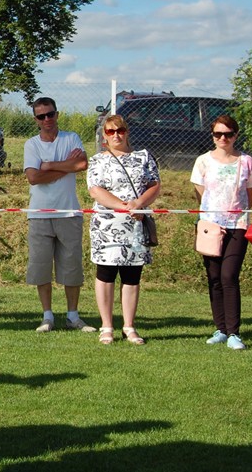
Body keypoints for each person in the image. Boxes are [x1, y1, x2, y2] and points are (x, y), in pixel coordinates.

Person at [86, 114, 160, 345]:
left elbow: (154, 185)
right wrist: (124, 207)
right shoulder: (97, 160)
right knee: (106, 273)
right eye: (110, 132)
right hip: (107, 225)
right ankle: (106, 326)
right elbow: (95, 190)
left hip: (136, 225)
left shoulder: (143, 157)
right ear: (104, 136)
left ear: (127, 132)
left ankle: (129, 326)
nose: (116, 135)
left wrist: (139, 204)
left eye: (120, 130)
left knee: (132, 276)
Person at [23, 97, 94, 332]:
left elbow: (82, 165)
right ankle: (47, 317)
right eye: (41, 116)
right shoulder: (31, 144)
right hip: (39, 215)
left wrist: (48, 165)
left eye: (50, 114)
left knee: (72, 268)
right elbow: (33, 177)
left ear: (57, 114)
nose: (47, 120)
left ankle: (73, 316)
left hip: (69, 213)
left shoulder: (71, 137)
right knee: (41, 267)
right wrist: (65, 166)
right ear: (36, 120)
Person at [190, 114, 252, 350]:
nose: (223, 138)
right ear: (212, 136)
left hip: (237, 224)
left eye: (228, 134)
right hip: (210, 226)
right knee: (214, 278)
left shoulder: (246, 161)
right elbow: (200, 193)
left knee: (229, 276)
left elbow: (250, 195)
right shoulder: (203, 161)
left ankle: (233, 333)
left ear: (235, 135)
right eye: (218, 134)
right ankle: (220, 328)